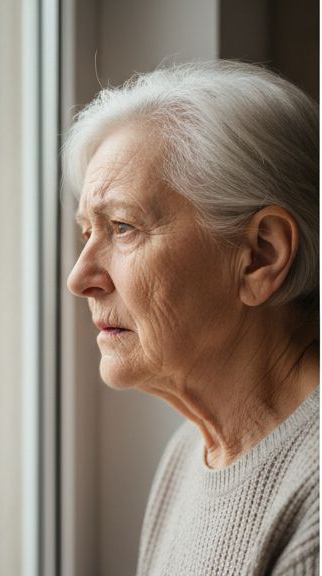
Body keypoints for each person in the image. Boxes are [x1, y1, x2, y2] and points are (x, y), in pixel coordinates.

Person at [64, 60, 319, 574]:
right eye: (87, 232)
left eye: (122, 227)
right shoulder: (189, 454)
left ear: (260, 256)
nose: (80, 277)